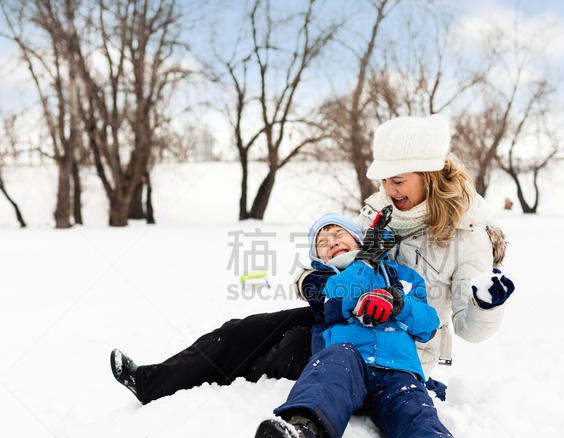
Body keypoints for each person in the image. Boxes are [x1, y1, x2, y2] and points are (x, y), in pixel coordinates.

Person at [111, 113, 513, 405]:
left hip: (399, 344)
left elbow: (468, 330)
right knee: (244, 330)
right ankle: (152, 382)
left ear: (429, 174)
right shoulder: (378, 212)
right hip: (345, 312)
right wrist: (311, 282)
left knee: (287, 350)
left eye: (398, 180)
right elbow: (333, 256)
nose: (388, 190)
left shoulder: (468, 235)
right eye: (383, 181)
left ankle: (232, 389)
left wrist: (484, 305)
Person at [253, 213, 498, 438]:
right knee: (329, 370)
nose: (331, 244)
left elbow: (427, 325)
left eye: (338, 235)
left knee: (417, 417)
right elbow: (332, 302)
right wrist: (364, 264)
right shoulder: (326, 280)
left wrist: (399, 304)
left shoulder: (404, 277)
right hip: (349, 361)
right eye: (322, 243)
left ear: (359, 238)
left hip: (400, 371)